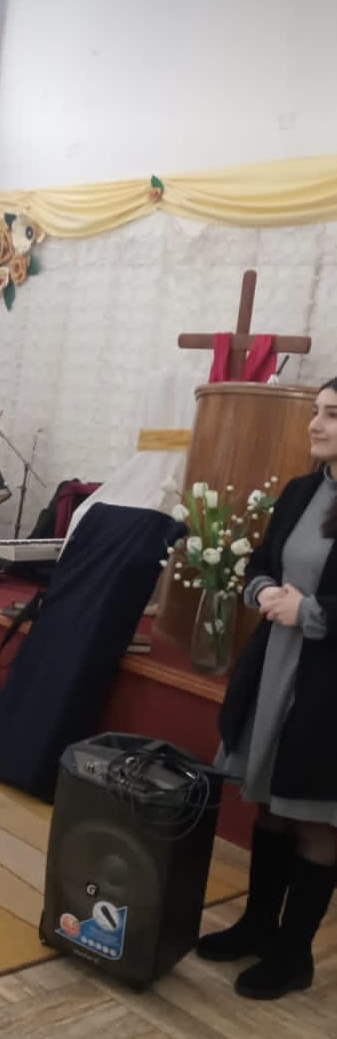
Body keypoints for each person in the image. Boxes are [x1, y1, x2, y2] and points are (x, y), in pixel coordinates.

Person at [197, 378, 337, 999]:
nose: (316, 424)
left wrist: (310, 612)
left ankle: (293, 954)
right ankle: (257, 925)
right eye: (317, 412)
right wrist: (262, 591)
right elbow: (261, 562)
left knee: (315, 816)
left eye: (332, 415)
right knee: (271, 804)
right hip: (278, 663)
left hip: (327, 682)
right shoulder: (303, 490)